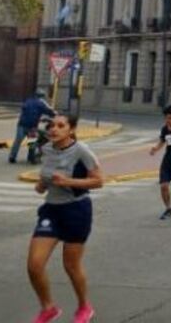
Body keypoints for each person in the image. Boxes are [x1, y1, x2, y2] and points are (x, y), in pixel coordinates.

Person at [27, 114, 103, 323]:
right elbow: (43, 182)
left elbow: (98, 181)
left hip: (76, 210)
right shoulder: (47, 150)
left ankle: (84, 306)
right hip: (51, 209)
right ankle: (48, 307)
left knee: (70, 265)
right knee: (34, 265)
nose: (54, 129)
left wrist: (68, 181)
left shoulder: (81, 151)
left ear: (71, 130)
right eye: (52, 125)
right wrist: (41, 185)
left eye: (61, 126)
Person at [10, 89, 56, 164]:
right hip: (32, 126)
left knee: (18, 141)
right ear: (42, 97)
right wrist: (55, 114)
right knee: (32, 142)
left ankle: (12, 157)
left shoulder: (28, 101)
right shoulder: (41, 104)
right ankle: (31, 158)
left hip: (22, 124)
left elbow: (24, 109)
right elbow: (49, 112)